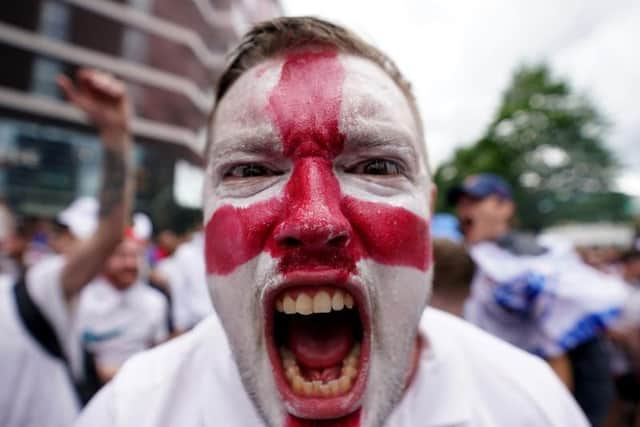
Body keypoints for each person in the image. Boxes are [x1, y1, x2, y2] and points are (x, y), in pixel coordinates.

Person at [77, 17, 589, 427]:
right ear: (207, 220)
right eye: (251, 170)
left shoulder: (528, 406)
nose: (315, 218)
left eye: (377, 167)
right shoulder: (132, 412)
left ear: (428, 214)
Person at [21, 69, 167, 403]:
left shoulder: (154, 304)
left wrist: (116, 133)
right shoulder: (63, 296)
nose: (60, 242)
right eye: (64, 233)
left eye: (73, 235)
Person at [449, 172, 628, 427]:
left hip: (560, 382)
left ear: (505, 207)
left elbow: (555, 348)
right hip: (500, 385)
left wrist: (554, 413)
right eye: (462, 202)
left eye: (475, 201)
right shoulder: (473, 258)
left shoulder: (530, 259)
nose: (465, 208)